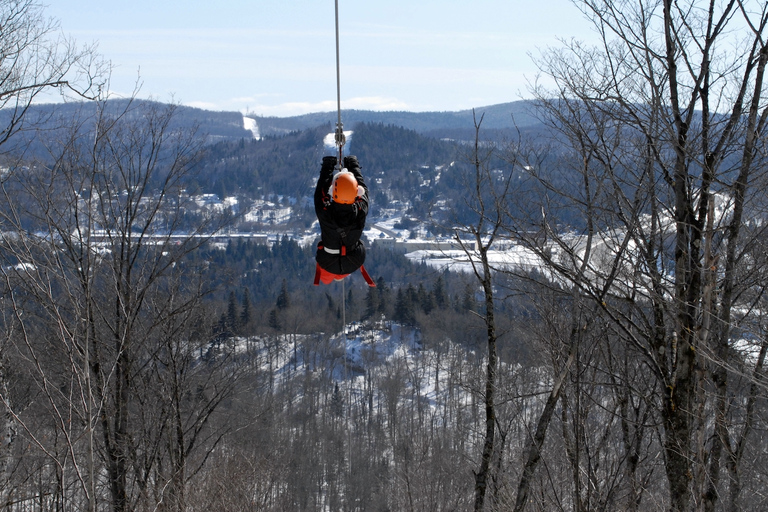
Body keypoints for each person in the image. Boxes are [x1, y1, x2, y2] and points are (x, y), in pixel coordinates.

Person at [313, 155, 375, 286]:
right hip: (352, 260)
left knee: (330, 272)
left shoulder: (325, 212)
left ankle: (334, 276)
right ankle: (338, 275)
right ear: (356, 192)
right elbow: (363, 190)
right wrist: (353, 166)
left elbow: (321, 190)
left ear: (333, 192)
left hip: (330, 260)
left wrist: (328, 165)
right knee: (353, 249)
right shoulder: (360, 211)